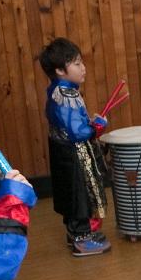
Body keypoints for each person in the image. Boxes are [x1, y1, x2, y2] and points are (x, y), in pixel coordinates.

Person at [39, 38, 110, 257]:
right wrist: (96, 126)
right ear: (60, 70)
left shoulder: (60, 90)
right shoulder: (66, 93)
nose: (83, 68)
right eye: (77, 64)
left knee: (73, 193)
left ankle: (82, 233)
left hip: (64, 150)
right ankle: (80, 238)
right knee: (78, 194)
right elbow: (76, 132)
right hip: (71, 152)